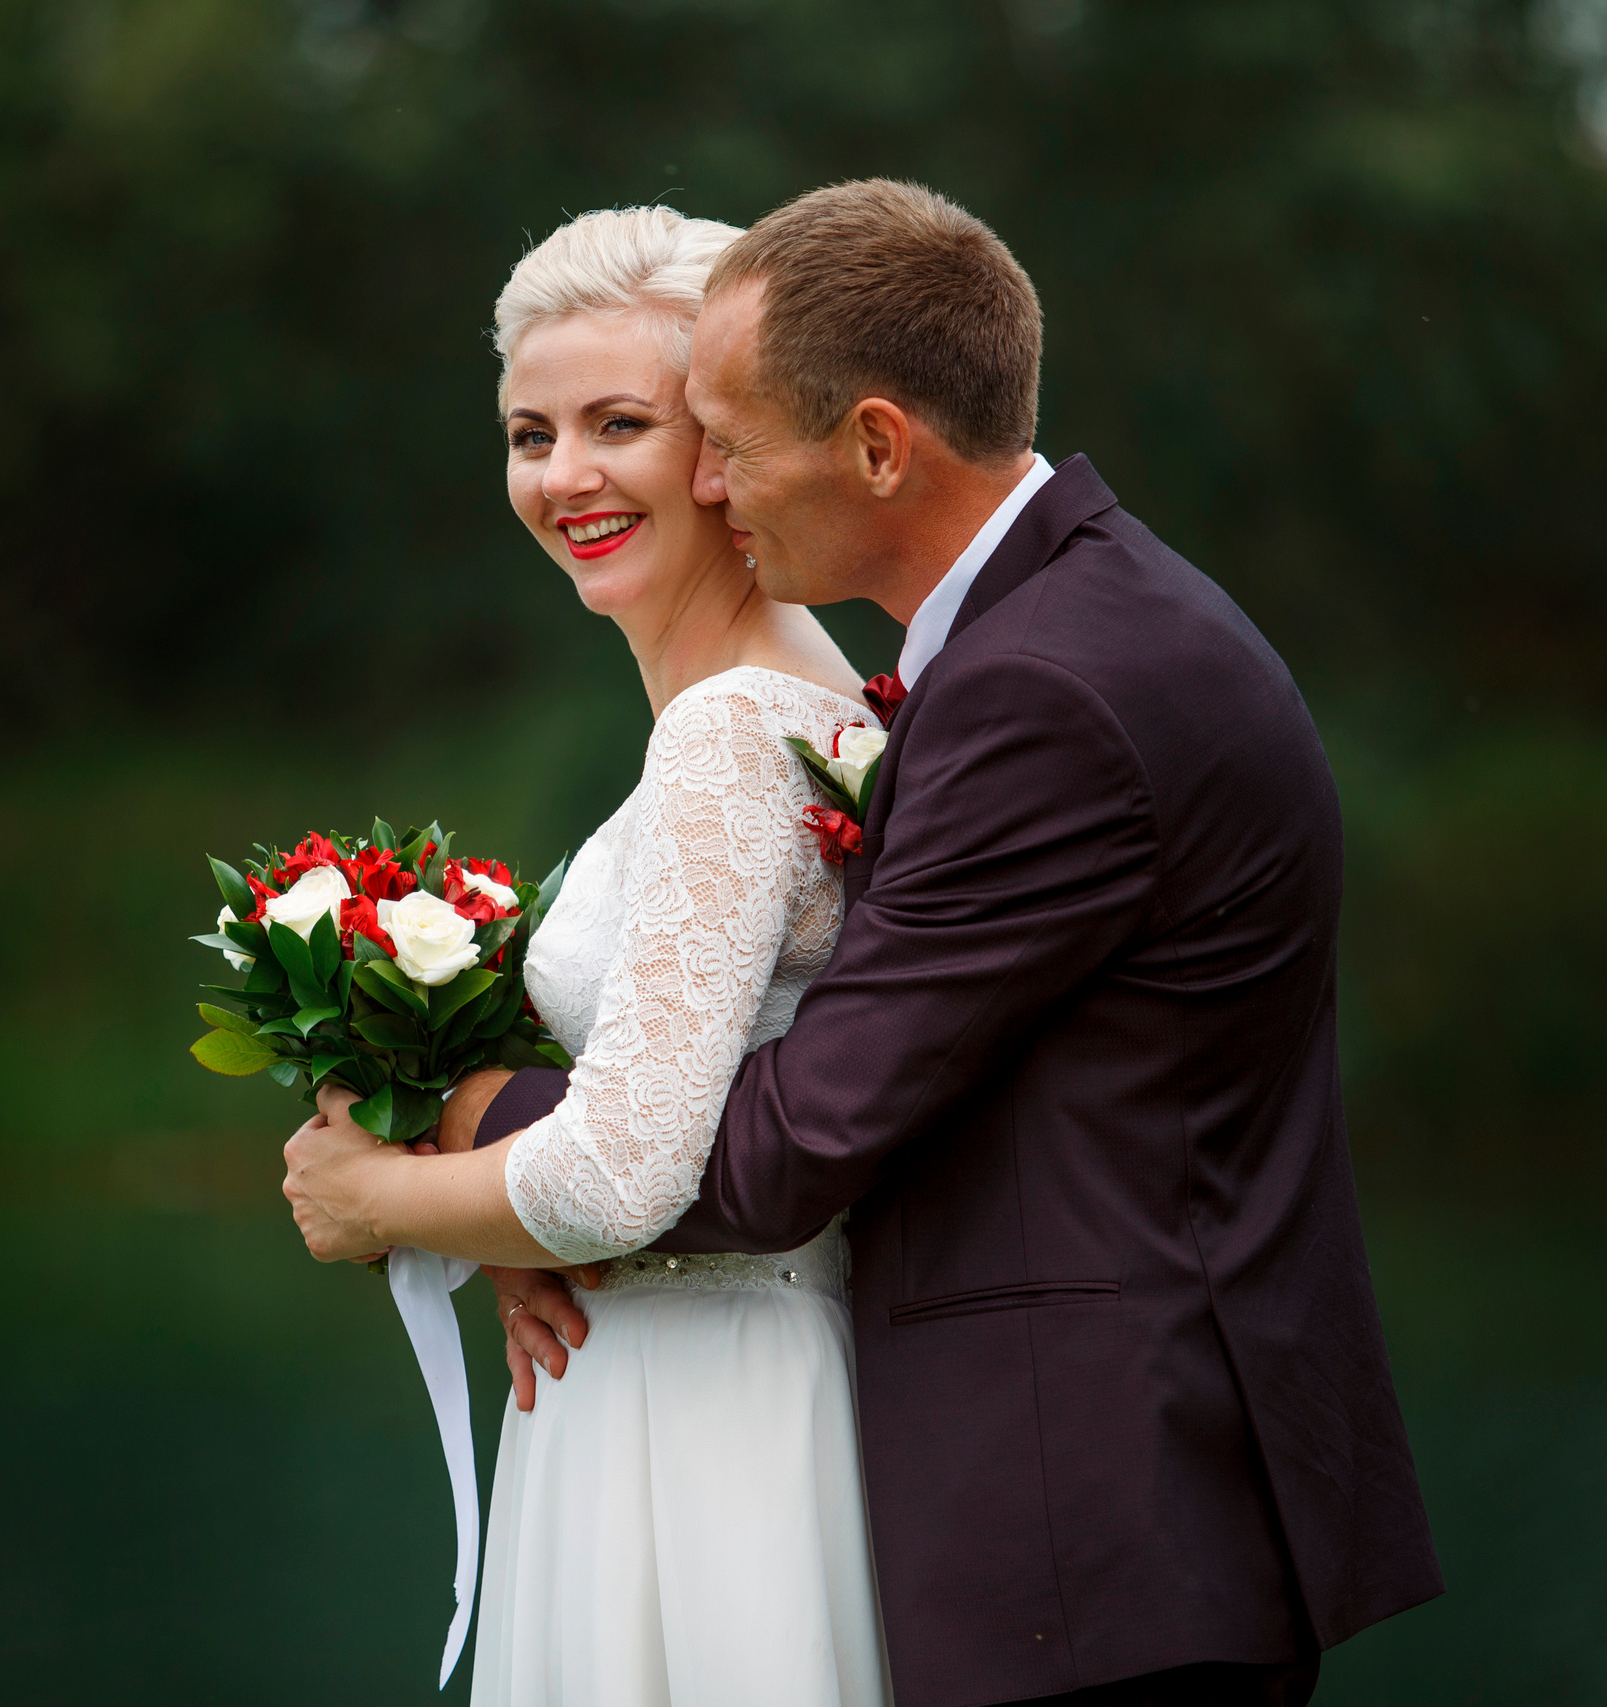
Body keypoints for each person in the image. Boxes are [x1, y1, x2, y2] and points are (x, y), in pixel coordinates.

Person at [291, 179, 1445, 1705]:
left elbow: (769, 1150)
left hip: (1097, 1515)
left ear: (878, 442)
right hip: (1058, 1488)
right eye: (530, 432)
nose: (713, 485)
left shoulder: (1032, 688)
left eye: (714, 437)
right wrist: (509, 1212)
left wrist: (418, 1176)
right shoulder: (1001, 658)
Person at [282, 204, 896, 1706]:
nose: (564, 478)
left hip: (702, 1427)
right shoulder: (779, 708)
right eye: (527, 432)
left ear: (723, 447)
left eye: (619, 424)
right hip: (654, 1378)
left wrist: (380, 1204)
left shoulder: (732, 730)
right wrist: (507, 1233)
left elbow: (625, 1176)